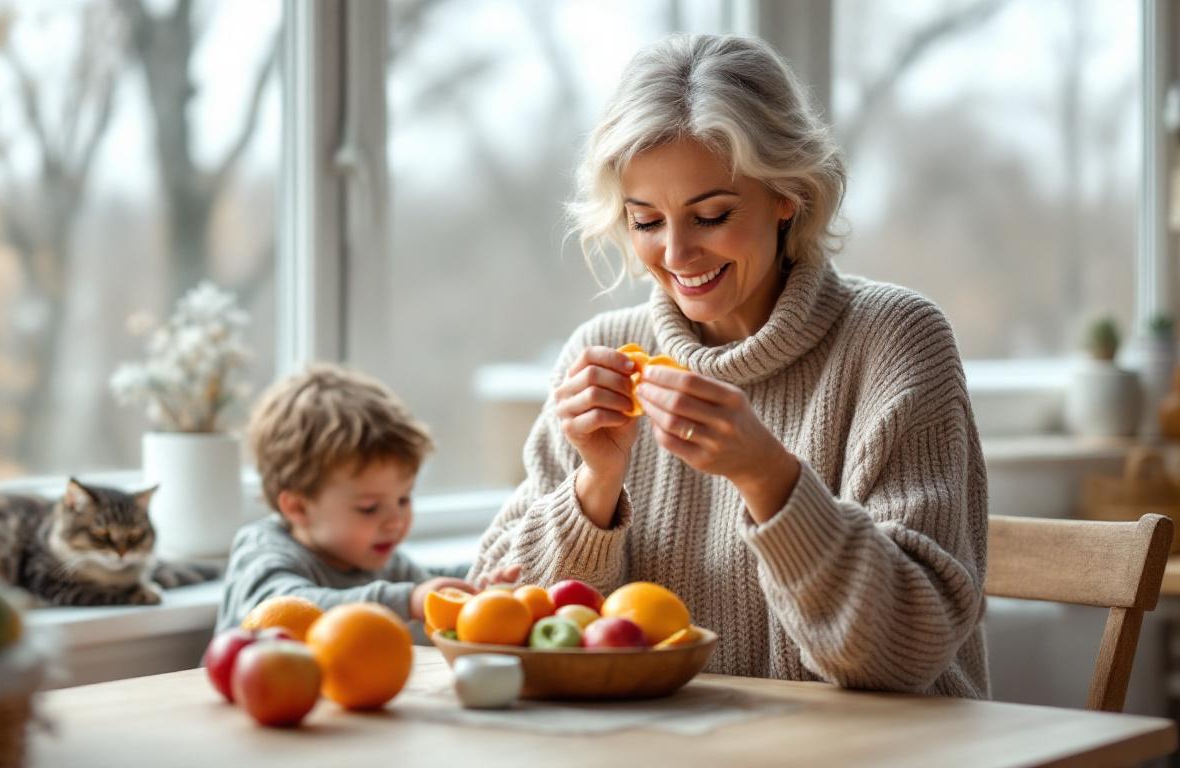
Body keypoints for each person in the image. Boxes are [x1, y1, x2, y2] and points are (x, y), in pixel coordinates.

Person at [469, 34, 988, 697]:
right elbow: (495, 617)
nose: (678, 253)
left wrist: (768, 477)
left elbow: (906, 651)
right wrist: (593, 489)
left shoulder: (894, 341)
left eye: (711, 215)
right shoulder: (598, 352)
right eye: (646, 222)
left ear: (787, 196)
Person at [217, 364, 519, 635]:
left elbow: (433, 583)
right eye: (369, 507)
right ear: (298, 507)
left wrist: (486, 577)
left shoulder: (380, 561)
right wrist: (408, 600)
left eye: (404, 499)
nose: (396, 521)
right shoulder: (262, 552)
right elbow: (282, 612)